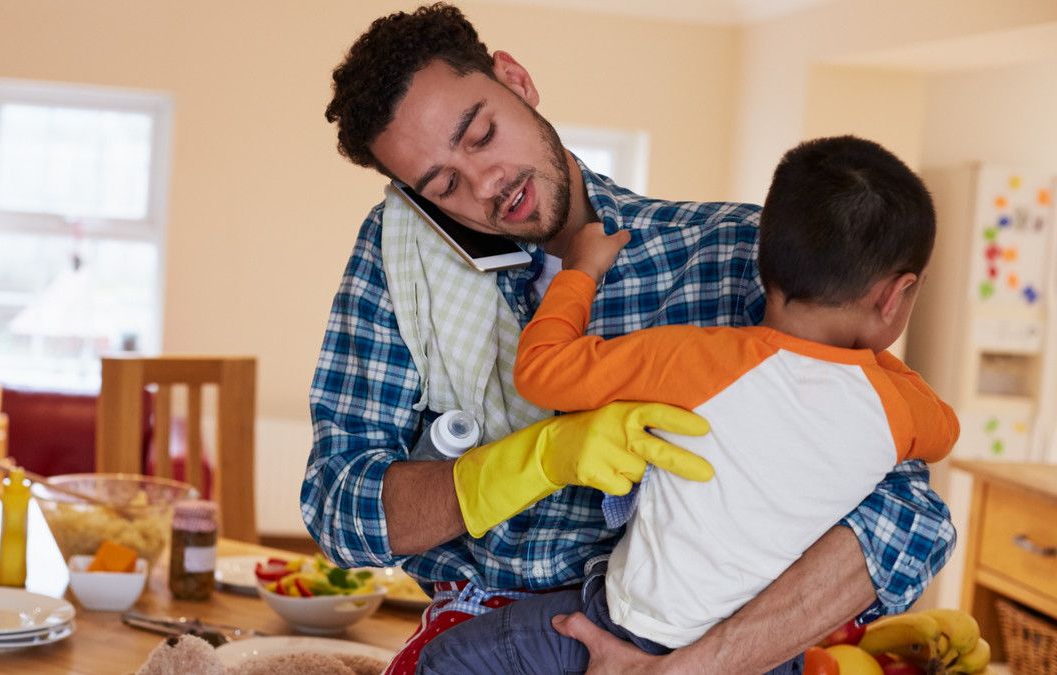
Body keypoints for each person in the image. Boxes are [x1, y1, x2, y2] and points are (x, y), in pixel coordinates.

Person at [303, 5, 955, 673]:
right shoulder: (406, 264)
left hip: (699, 648)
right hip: (491, 633)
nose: (486, 183)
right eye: (445, 184)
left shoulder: (732, 255)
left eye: (482, 135)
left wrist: (685, 669)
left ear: (516, 79)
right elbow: (339, 509)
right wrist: (533, 461)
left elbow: (907, 517)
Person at [414, 135, 960, 673]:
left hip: (627, 624)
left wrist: (582, 270)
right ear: (894, 295)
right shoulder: (900, 411)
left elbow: (542, 370)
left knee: (443, 660)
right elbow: (946, 431)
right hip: (764, 661)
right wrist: (868, 362)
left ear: (764, 261)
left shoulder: (694, 360)